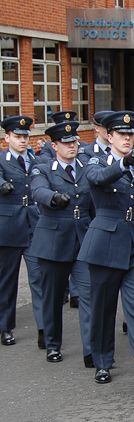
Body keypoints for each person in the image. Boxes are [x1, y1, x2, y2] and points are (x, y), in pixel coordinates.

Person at [77, 111, 134, 389]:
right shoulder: (95, 160)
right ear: (108, 136)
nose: (127, 138)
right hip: (105, 242)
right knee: (103, 306)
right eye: (121, 134)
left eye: (131, 134)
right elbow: (97, 179)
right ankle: (101, 360)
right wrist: (124, 163)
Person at [29, 121, 94, 365]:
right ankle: (53, 343)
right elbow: (37, 190)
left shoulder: (87, 168)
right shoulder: (43, 168)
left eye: (74, 142)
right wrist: (54, 197)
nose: (72, 146)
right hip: (54, 241)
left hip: (83, 239)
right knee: (53, 297)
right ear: (54, 145)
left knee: (89, 296)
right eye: (66, 143)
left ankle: (90, 350)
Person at [0, 115, 44, 347]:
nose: (23, 141)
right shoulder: (1, 159)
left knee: (39, 278)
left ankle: (44, 328)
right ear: (7, 137)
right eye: (17, 137)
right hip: (8, 229)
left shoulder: (35, 160)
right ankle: (5, 327)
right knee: (7, 280)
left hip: (34, 227)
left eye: (25, 137)